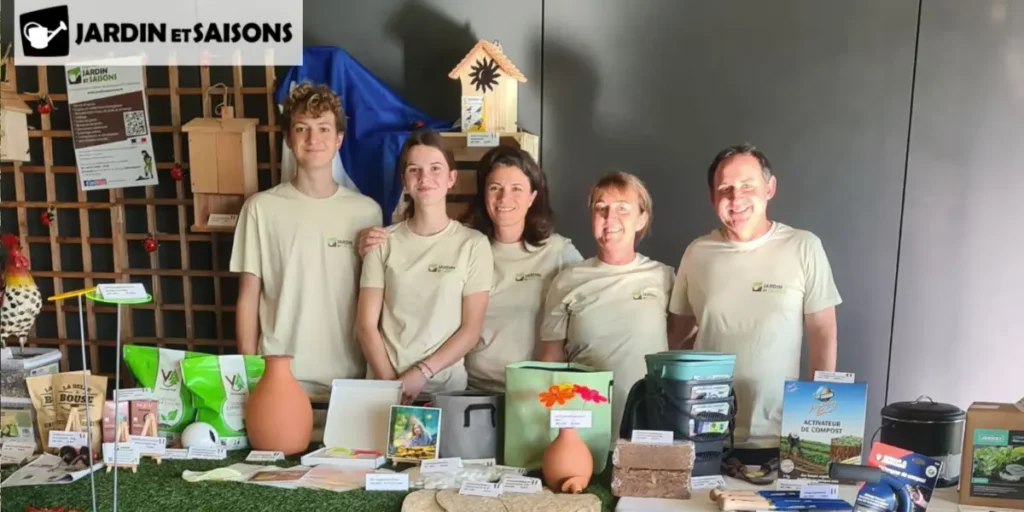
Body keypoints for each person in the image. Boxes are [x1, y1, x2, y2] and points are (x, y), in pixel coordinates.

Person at [667, 143, 841, 467]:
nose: (736, 198)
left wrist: (817, 422)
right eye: (725, 188)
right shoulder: (697, 252)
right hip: (705, 432)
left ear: (770, 188)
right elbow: (675, 337)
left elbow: (822, 331)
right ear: (712, 197)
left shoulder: (803, 246)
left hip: (781, 436)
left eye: (748, 186)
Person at [358, 146, 584, 392]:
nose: (504, 199)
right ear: (483, 194)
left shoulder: (559, 253)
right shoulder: (468, 246)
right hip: (471, 390)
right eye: (495, 188)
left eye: (516, 189)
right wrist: (369, 245)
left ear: (532, 196)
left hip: (531, 391)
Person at [230, 82, 383, 398]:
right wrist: (248, 373)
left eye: (324, 129)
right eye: (302, 128)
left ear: (339, 139)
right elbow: (247, 298)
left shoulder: (367, 212)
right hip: (279, 380)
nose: (313, 139)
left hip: (350, 380)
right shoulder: (260, 208)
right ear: (288, 139)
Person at [356, 129, 494, 404]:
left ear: (451, 178)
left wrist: (421, 372)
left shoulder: (473, 245)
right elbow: (365, 325)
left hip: (445, 393)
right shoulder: (382, 241)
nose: (425, 178)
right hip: (386, 390)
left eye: (435, 168)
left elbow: (470, 330)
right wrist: (392, 388)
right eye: (414, 170)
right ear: (404, 182)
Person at [537, 171, 675, 439]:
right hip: (582, 429)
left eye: (623, 209)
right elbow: (550, 360)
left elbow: (678, 344)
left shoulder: (664, 277)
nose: (610, 218)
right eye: (601, 208)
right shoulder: (567, 281)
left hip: (649, 427)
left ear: (642, 218)